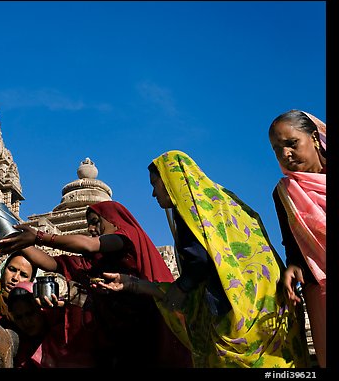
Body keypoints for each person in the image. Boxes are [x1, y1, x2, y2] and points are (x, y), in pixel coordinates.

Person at [99, 150, 310, 368]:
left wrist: (178, 288)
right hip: (269, 304)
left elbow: (198, 266)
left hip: (235, 322)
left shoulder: (192, 215)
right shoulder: (223, 203)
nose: (153, 194)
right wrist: (135, 284)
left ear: (171, 180)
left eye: (155, 184)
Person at [0, 200, 192, 368]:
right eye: (88, 224)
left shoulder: (127, 237)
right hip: (111, 344)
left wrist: (40, 237)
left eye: (95, 222)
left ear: (114, 220)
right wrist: (18, 242)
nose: (91, 229)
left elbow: (90, 244)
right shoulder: (94, 263)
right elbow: (54, 263)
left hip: (146, 335)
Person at [268, 109, 326, 368]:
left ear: (314, 137)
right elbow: (292, 245)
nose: (285, 155)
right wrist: (292, 267)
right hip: (320, 291)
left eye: (292, 144)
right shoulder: (285, 193)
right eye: (277, 149)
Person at [7, 281, 98, 368]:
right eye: (19, 317)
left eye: (30, 314)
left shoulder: (66, 334)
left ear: (42, 309)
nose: (26, 322)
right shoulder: (19, 350)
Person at [0, 251, 38, 328]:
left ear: (31, 280)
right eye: (12, 269)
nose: (15, 278)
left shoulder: (35, 308)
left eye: (23, 275)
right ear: (4, 269)